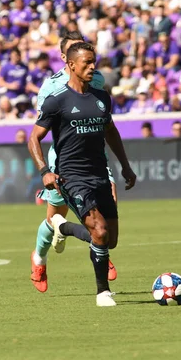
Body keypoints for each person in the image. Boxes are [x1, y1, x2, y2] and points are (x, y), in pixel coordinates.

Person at [28, 42, 136, 307]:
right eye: (86, 63)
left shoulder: (102, 98)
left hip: (99, 173)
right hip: (71, 176)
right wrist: (45, 171)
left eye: (93, 62)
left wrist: (125, 165)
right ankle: (102, 293)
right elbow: (34, 138)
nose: (92, 67)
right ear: (71, 65)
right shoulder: (57, 100)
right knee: (99, 232)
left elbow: (111, 132)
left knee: (110, 240)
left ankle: (61, 226)